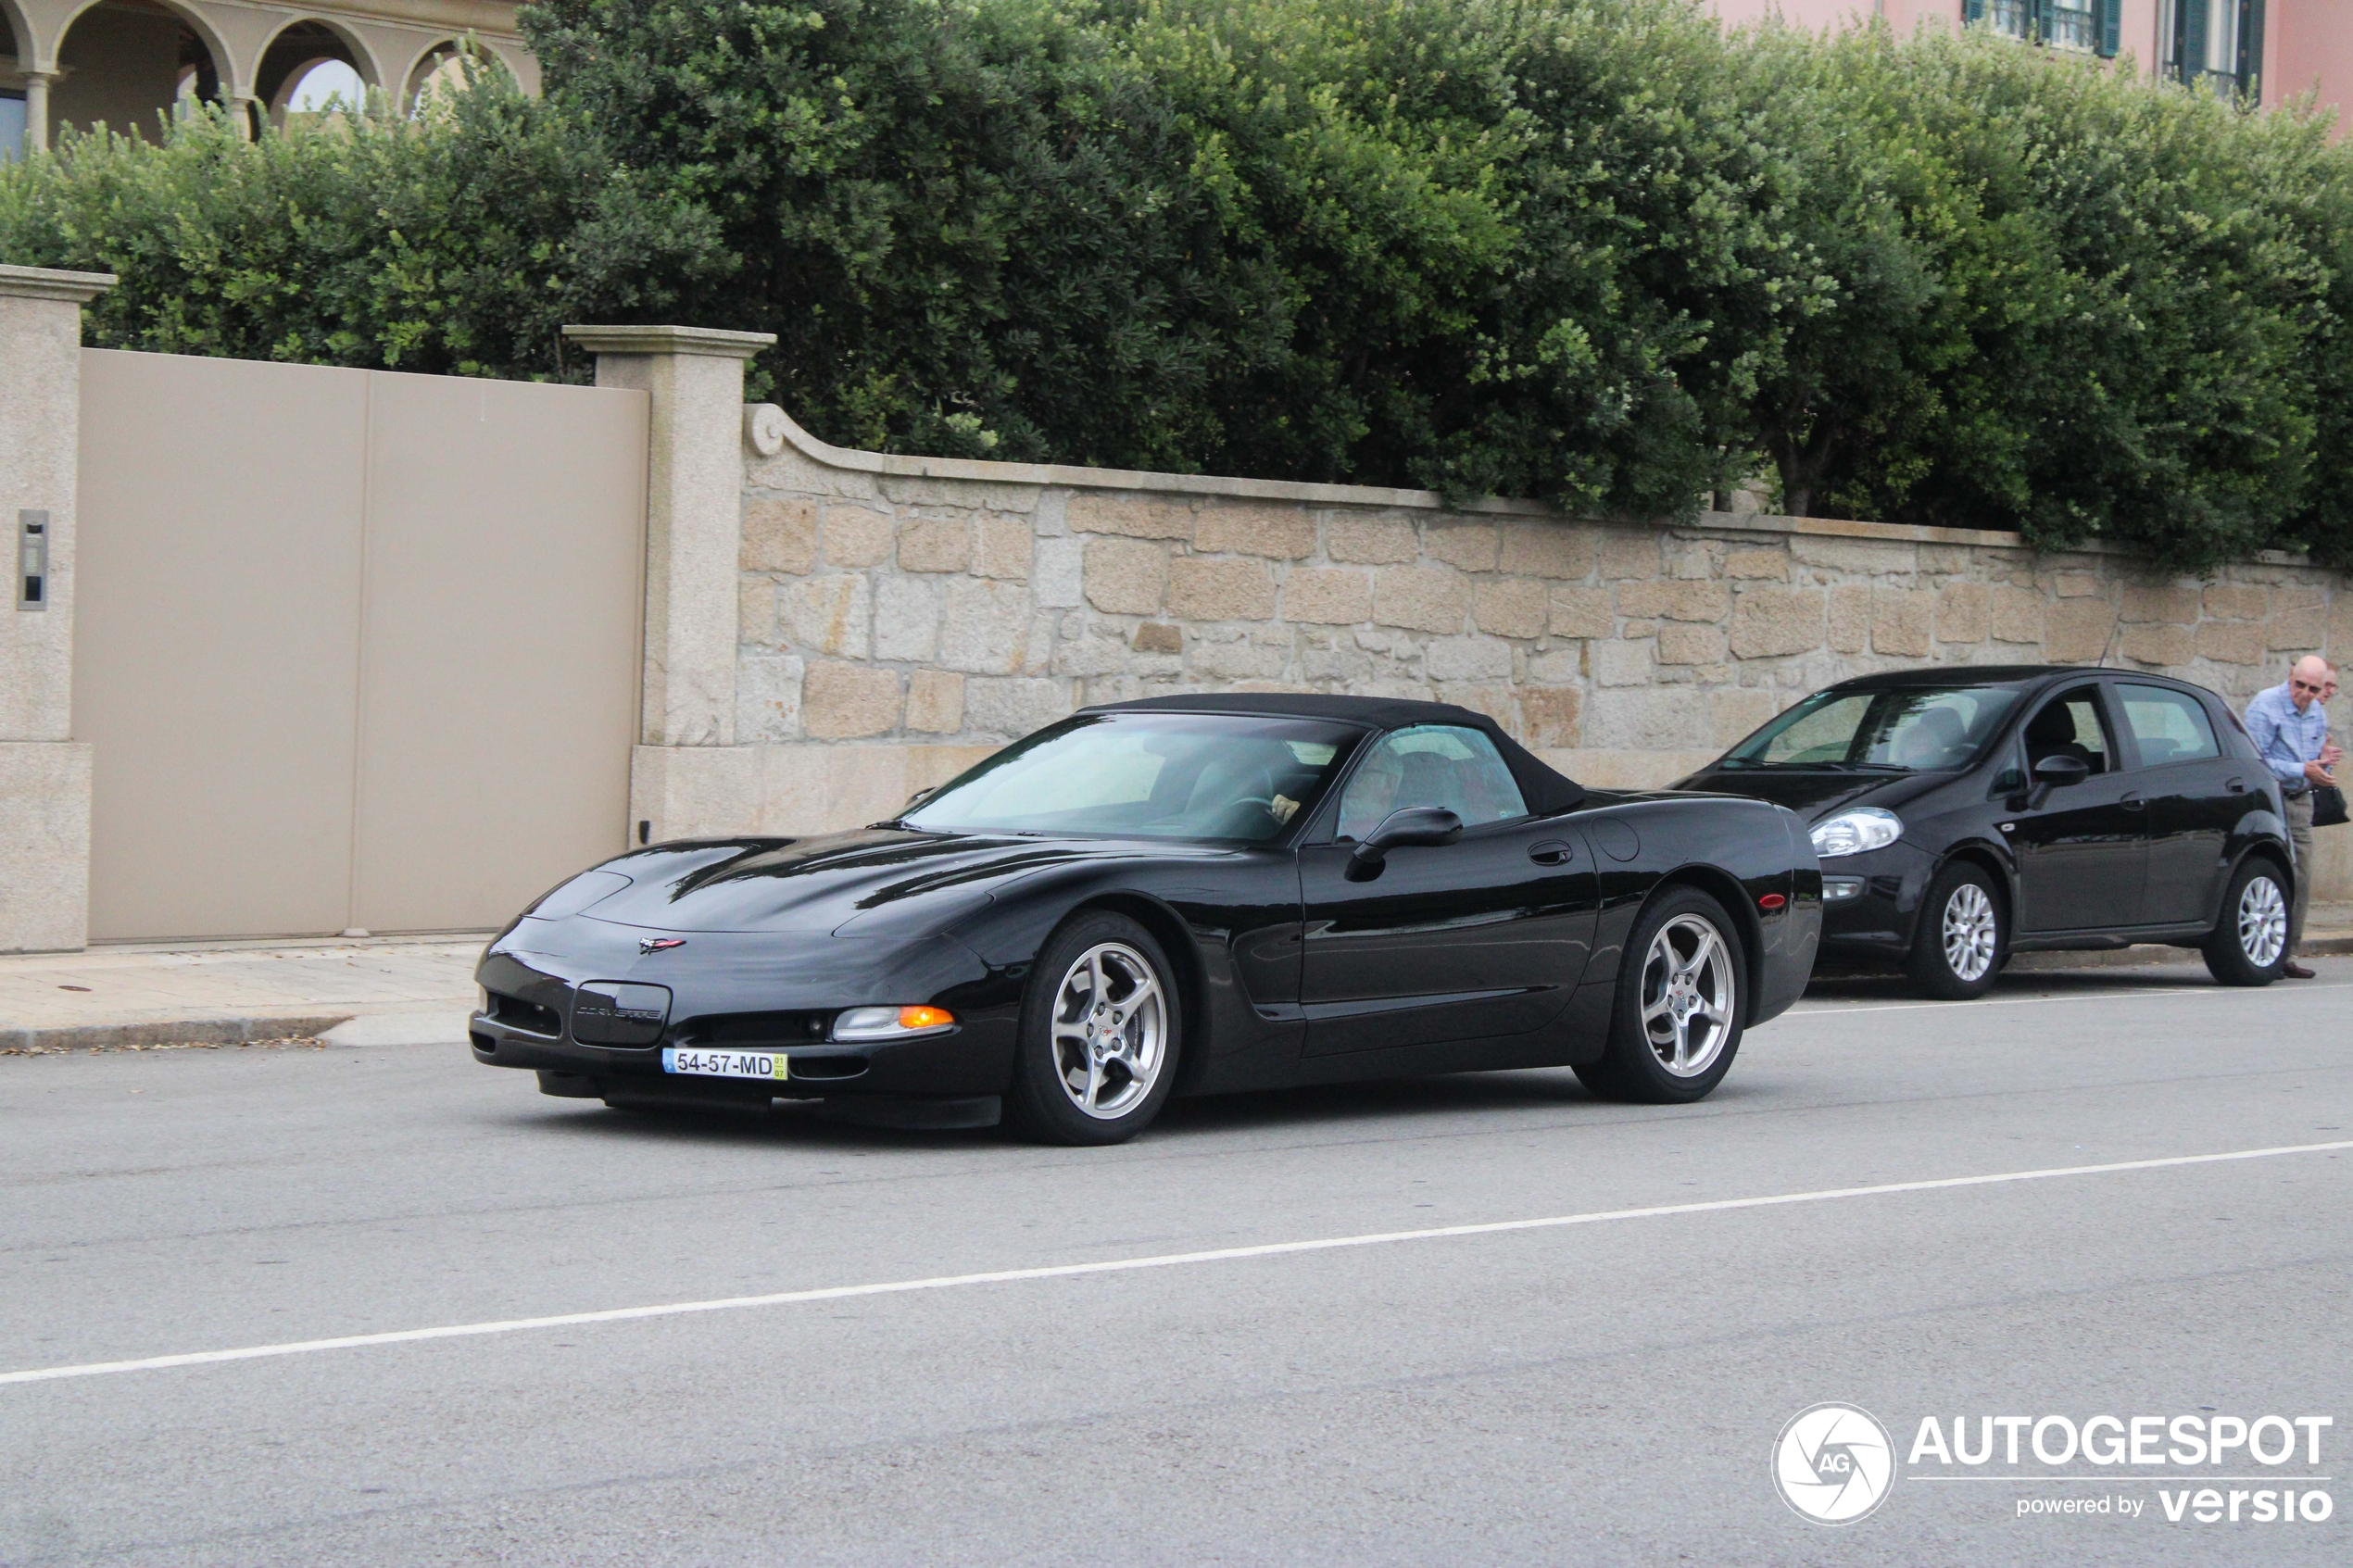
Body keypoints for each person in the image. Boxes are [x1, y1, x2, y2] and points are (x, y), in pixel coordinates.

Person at [2244, 656, 2343, 978]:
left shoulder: (2316, 713)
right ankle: (2263, 950)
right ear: (2290, 677)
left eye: (2313, 689)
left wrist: (2322, 764)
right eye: (2299, 685)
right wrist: (2302, 768)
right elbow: (2255, 761)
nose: (2305, 693)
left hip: (2300, 801)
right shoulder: (2265, 706)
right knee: (2270, 876)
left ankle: (2287, 953)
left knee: (2301, 876)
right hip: (2270, 800)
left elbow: (2311, 762)